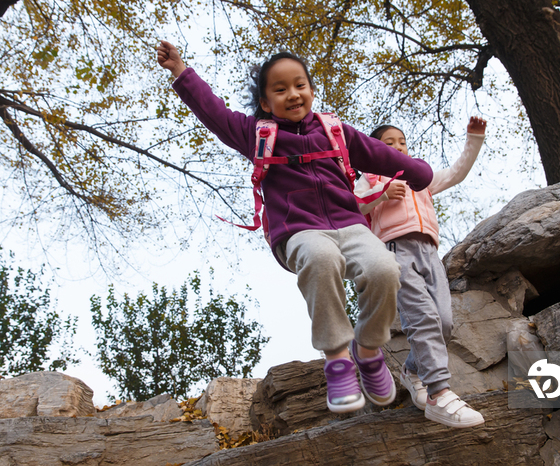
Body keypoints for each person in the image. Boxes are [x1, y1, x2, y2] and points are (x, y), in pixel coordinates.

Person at [156, 41, 434, 414]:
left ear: (311, 90)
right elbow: (215, 112)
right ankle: (337, 358)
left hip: (351, 225)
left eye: (299, 85)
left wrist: (419, 172)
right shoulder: (257, 133)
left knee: (385, 268)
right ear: (266, 102)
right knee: (321, 259)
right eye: (280, 88)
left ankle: (367, 351)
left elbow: (378, 153)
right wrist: (181, 72)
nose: (293, 94)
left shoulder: (336, 131)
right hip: (299, 231)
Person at [354, 118, 487, 428]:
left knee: (444, 322)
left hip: (430, 253)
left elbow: (456, 172)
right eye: (389, 143)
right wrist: (383, 194)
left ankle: (413, 370)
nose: (398, 147)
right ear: (375, 151)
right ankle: (439, 393)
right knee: (423, 318)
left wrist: (474, 138)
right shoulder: (371, 178)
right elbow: (352, 206)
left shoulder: (419, 178)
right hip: (395, 251)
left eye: (401, 141)